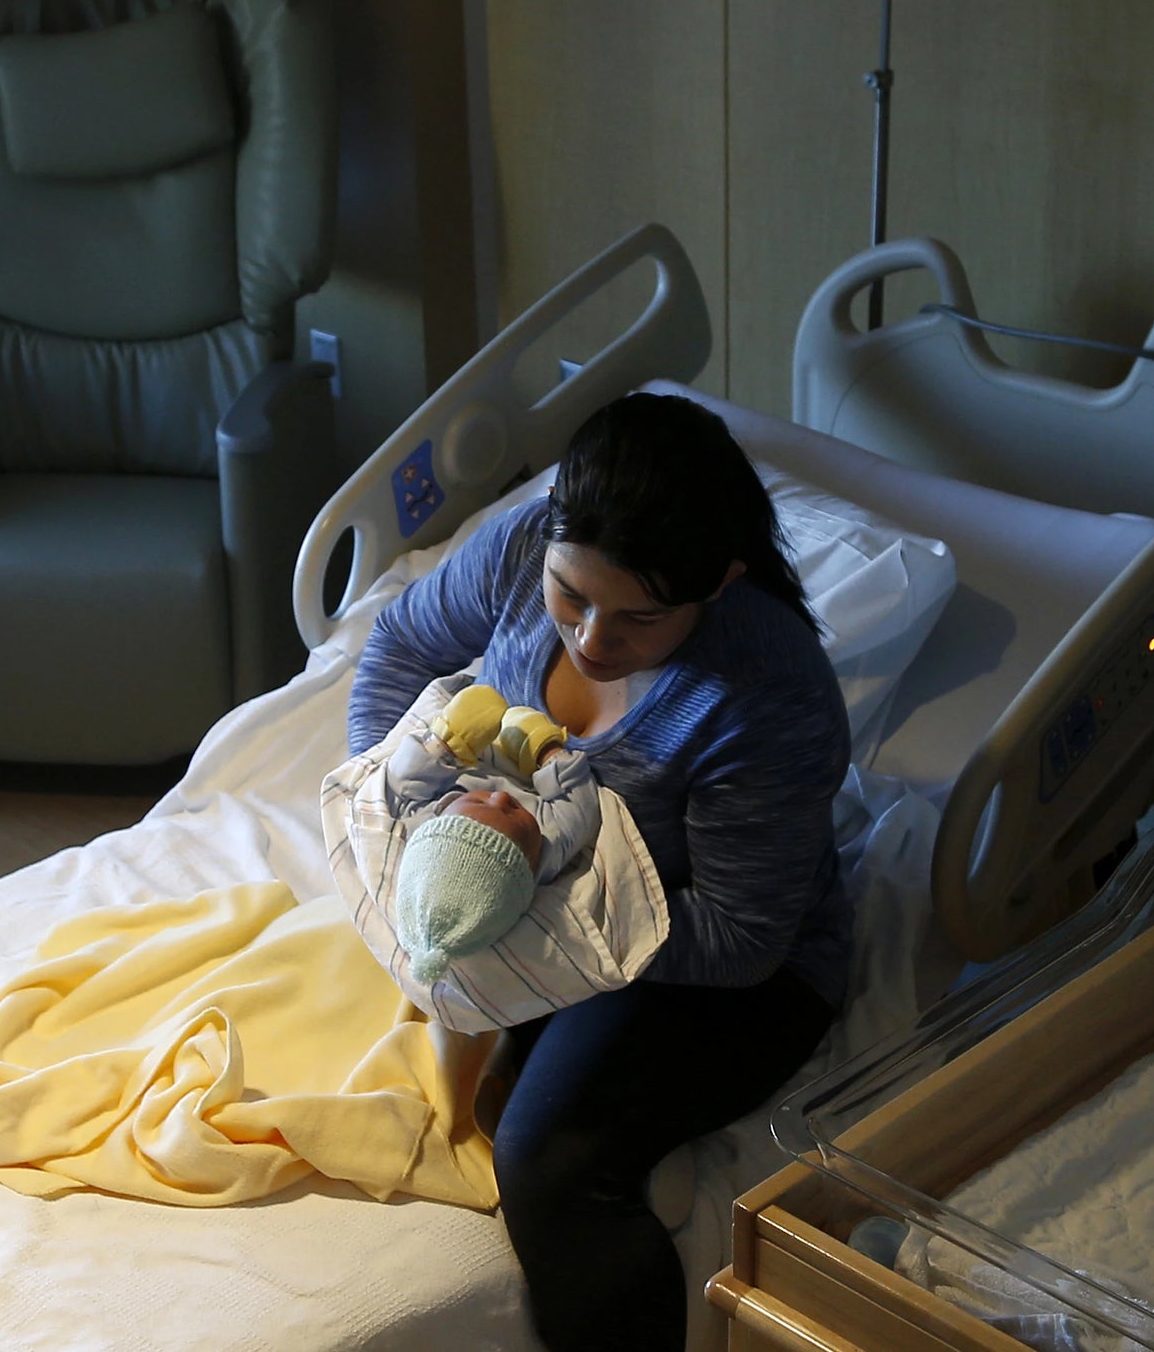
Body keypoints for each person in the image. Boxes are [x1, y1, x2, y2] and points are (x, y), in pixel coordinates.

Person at [346, 389, 852, 1352]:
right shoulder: (521, 545)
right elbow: (401, 642)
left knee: (544, 1159)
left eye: (638, 620)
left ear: (718, 584)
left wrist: (531, 881)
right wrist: (400, 801)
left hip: (716, 964)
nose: (589, 639)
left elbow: (742, 939)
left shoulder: (765, 695)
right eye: (570, 596)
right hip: (533, 889)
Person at [382, 681, 604, 982]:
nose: (499, 798)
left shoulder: (426, 827)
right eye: (514, 813)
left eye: (476, 802)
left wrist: (444, 744)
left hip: (467, 755)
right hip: (527, 763)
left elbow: (401, 786)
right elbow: (581, 808)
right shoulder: (547, 847)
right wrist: (546, 751)